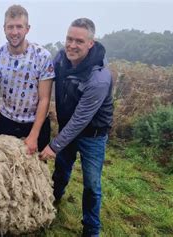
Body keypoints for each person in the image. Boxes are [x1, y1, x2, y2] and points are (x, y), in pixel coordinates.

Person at [39, 18, 113, 237]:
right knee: (61, 171)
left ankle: (91, 229)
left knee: (91, 184)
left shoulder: (99, 78)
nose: (71, 45)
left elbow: (81, 119)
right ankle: (52, 202)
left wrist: (54, 145)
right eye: (69, 39)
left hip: (93, 135)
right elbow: (43, 81)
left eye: (79, 41)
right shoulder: (61, 59)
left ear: (90, 43)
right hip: (66, 128)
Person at [0, 5, 54, 155]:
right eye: (10, 27)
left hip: (35, 122)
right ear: (4, 28)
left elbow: (44, 99)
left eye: (19, 27)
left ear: (27, 28)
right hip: (7, 120)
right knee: (1, 169)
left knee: (35, 171)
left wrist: (33, 135)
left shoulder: (42, 56)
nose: (14, 32)